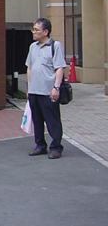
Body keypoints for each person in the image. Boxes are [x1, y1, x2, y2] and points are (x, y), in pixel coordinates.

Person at [25, 18, 67, 159]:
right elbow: (29, 67)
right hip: (34, 91)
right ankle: (40, 146)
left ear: (45, 32)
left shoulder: (55, 46)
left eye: (36, 30)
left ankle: (56, 148)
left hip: (48, 91)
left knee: (52, 121)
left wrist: (56, 88)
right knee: (37, 121)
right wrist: (29, 87)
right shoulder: (33, 47)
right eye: (33, 29)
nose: (33, 32)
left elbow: (59, 68)